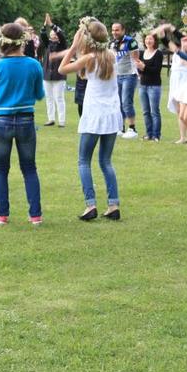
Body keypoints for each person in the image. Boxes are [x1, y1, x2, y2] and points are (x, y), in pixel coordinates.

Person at [59, 18, 122, 221]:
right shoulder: (112, 56)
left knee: (83, 161)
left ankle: (90, 204)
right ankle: (113, 204)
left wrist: (73, 47)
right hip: (112, 114)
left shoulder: (89, 59)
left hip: (94, 114)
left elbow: (62, 69)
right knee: (106, 161)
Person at [0, 22, 46, 225]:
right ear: (23, 41)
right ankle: (35, 215)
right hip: (26, 119)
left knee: (0, 169)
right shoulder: (34, 65)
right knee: (29, 168)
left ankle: (2, 214)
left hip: (1, 121)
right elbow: (39, 95)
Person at [110, 21, 140, 138]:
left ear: (123, 30)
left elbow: (136, 58)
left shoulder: (131, 41)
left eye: (117, 30)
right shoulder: (112, 43)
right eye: (113, 30)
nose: (114, 32)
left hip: (129, 75)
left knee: (126, 102)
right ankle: (120, 127)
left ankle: (132, 128)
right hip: (117, 75)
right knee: (118, 102)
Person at [135, 30, 163, 141]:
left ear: (155, 40)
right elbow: (141, 70)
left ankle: (156, 135)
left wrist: (144, 67)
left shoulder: (158, 53)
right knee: (145, 111)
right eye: (146, 39)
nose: (148, 40)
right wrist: (139, 69)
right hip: (142, 85)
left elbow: (156, 70)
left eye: (151, 38)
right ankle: (149, 134)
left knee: (154, 111)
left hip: (154, 86)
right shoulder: (142, 53)